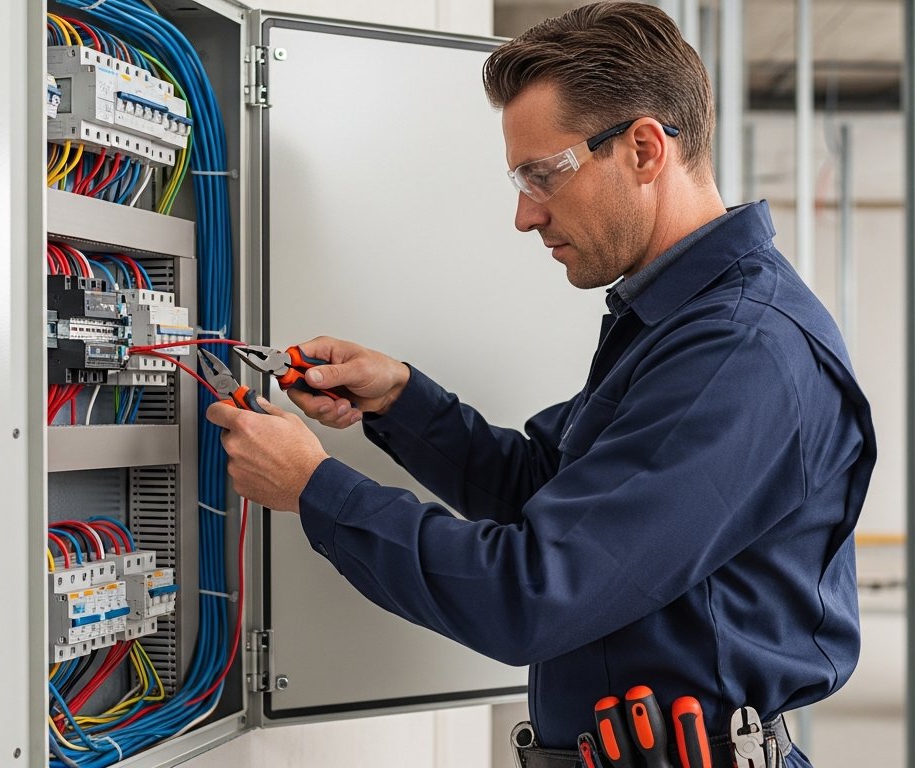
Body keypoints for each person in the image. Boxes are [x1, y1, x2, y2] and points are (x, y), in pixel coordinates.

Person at [206, 3, 875, 766]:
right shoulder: (676, 319)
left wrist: (315, 488)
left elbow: (533, 592)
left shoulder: (737, 350)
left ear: (645, 150)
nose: (525, 215)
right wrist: (400, 399)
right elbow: (550, 490)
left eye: (541, 173)